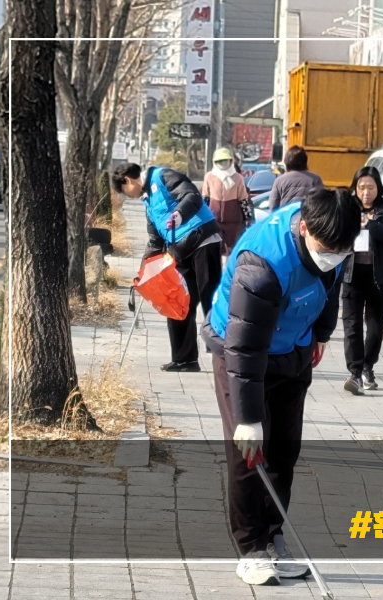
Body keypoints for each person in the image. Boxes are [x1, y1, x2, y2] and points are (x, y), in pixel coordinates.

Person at [201, 188, 361, 586]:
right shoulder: (263, 263)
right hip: (241, 352)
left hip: (294, 347)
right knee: (250, 453)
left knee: (284, 451)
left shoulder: (335, 237)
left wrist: (321, 333)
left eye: (342, 250)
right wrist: (248, 417)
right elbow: (245, 346)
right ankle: (251, 547)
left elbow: (330, 289)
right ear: (304, 228)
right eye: (327, 249)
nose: (334, 257)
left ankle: (274, 536)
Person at [112, 162, 222, 372]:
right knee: (175, 299)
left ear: (127, 180)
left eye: (125, 191)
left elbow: (192, 196)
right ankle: (185, 359)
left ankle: (223, 354)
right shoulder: (147, 201)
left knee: (210, 295)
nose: (128, 195)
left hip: (203, 239)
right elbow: (155, 242)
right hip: (180, 250)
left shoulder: (162, 176)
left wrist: (179, 214)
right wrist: (144, 272)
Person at [341, 166, 383, 394]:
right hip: (352, 275)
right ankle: (355, 373)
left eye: (370, 187)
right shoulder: (348, 208)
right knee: (352, 327)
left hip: (379, 278)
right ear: (355, 188)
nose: (365, 192)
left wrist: (371, 224)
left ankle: (368, 366)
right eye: (361, 187)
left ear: (378, 188)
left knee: (375, 329)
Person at [201, 147, 254, 256]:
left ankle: (230, 267)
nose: (223, 163)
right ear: (214, 162)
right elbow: (205, 198)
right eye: (220, 161)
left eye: (225, 160)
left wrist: (249, 218)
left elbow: (243, 199)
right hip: (214, 220)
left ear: (231, 161)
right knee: (214, 250)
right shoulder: (209, 177)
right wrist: (202, 219)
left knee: (233, 250)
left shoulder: (238, 177)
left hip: (234, 221)